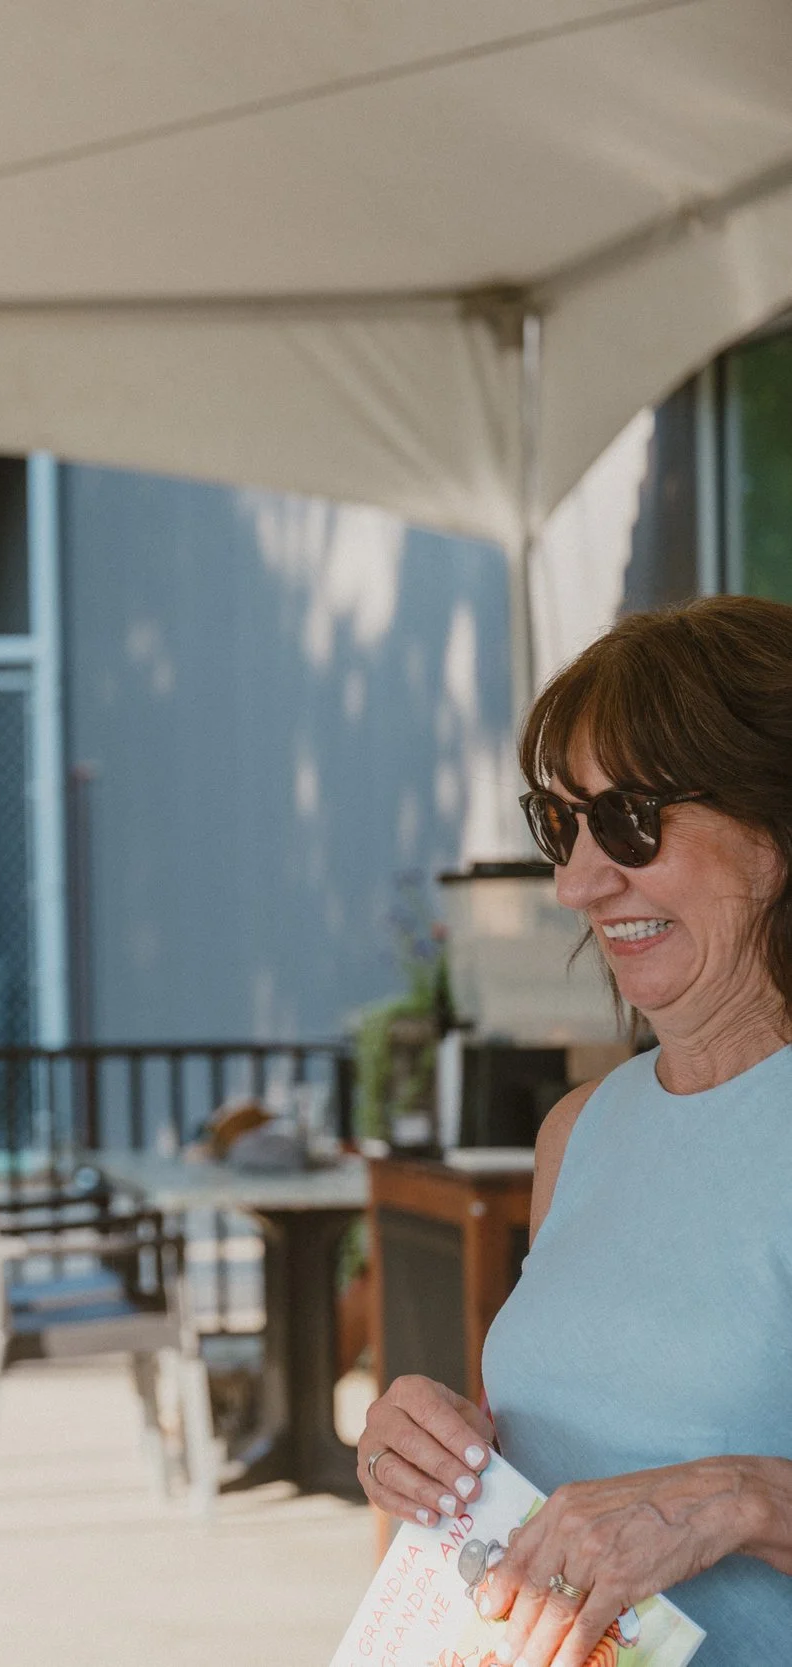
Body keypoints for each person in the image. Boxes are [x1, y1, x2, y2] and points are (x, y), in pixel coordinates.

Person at [356, 597, 792, 1667]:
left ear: (773, 828)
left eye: (632, 822)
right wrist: (421, 1448)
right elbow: (549, 1457)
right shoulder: (580, 1130)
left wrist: (744, 1499)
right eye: (562, 824)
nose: (576, 881)